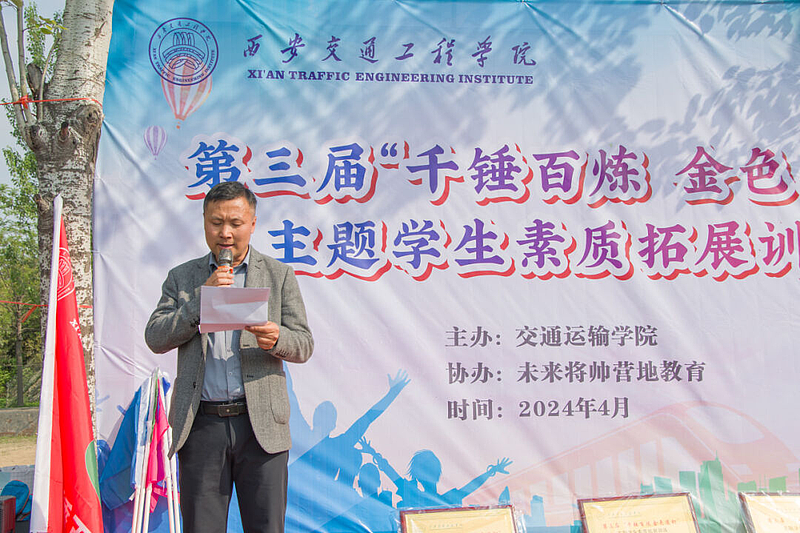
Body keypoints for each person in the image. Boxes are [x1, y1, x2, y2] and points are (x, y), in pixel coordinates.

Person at [144, 181, 314, 533]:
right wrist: (199, 301)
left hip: (260, 425)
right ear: (204, 221)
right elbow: (155, 337)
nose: (225, 233)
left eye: (235, 223)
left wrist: (277, 338)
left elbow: (303, 344)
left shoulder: (278, 275)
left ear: (252, 223)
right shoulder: (183, 277)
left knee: (266, 526)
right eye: (216, 222)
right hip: (201, 426)